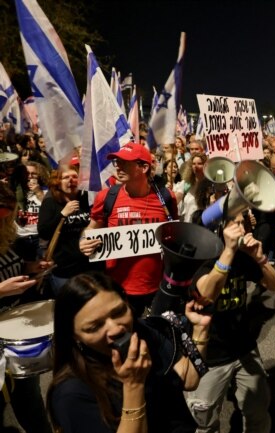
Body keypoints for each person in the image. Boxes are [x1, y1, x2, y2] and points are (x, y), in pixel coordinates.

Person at [47, 272, 211, 433]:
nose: (116, 329)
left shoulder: (143, 333)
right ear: (74, 336)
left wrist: (200, 329)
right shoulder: (71, 394)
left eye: (119, 312)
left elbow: (188, 379)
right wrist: (134, 385)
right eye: (94, 327)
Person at [187, 210, 275, 433]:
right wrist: (228, 251)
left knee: (258, 410)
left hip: (244, 348)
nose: (243, 229)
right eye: (236, 224)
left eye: (244, 223)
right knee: (204, 421)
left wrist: (259, 258)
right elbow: (206, 295)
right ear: (220, 229)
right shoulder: (202, 256)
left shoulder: (242, 256)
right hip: (210, 356)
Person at [79, 142, 178, 318]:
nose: (118, 167)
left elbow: (174, 233)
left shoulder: (166, 197)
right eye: (117, 161)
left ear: (144, 167)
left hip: (157, 287)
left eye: (125, 162)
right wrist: (84, 242)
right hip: (118, 288)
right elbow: (91, 229)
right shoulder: (107, 197)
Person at [0, 182, 53, 433]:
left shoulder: (7, 236)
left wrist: (30, 269)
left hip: (14, 335)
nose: (5, 223)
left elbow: (10, 267)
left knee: (30, 400)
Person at [38, 163, 102, 294]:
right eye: (65, 177)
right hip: (65, 269)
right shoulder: (51, 202)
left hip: (91, 265)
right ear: (58, 182)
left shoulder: (87, 199)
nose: (71, 180)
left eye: (74, 176)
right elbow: (44, 232)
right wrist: (63, 214)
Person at [174, 153, 208, 223]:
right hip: (188, 223)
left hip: (203, 224)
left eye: (199, 163)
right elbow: (175, 201)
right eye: (193, 164)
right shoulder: (186, 183)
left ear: (206, 165)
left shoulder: (210, 184)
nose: (196, 166)